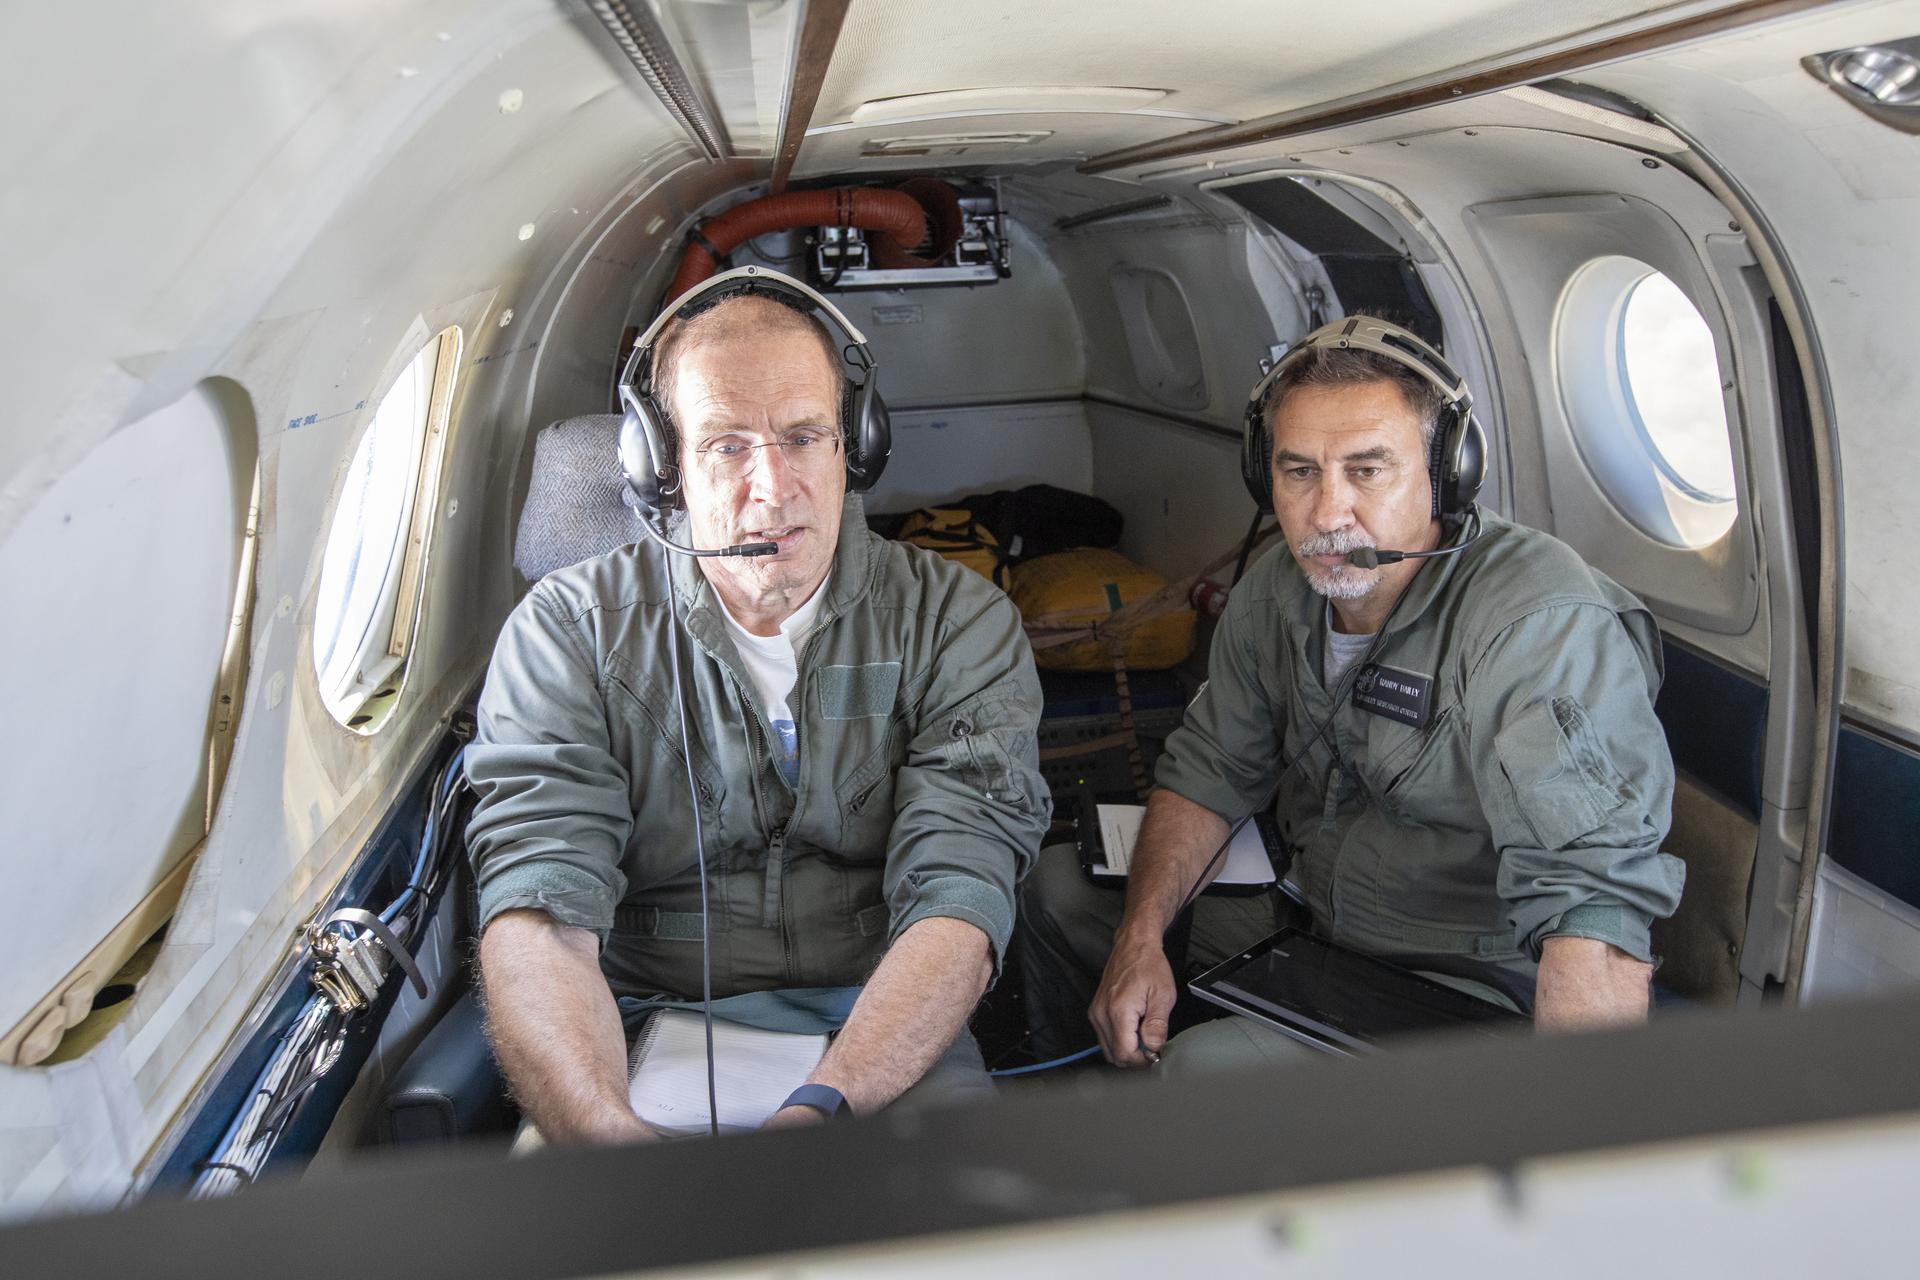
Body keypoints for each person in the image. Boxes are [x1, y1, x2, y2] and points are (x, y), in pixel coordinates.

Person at [466, 268, 1048, 1142]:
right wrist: (601, 1131)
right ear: (660, 469)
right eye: (727, 445)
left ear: (855, 445)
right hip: (628, 1025)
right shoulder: (567, 632)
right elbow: (542, 914)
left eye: (805, 436)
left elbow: (958, 896)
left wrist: (827, 1103)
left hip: (883, 1023)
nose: (774, 488)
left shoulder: (956, 622)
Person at [1016, 315, 1685, 1071]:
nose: (1327, 514)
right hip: (1310, 917)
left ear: (1448, 474)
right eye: (1300, 472)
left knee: (1209, 1072)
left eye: (1368, 470)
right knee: (1059, 891)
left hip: (1463, 981)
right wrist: (1139, 944)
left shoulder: (1535, 624)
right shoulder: (1274, 592)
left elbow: (1589, 898)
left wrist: (1577, 1142)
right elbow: (1209, 773)